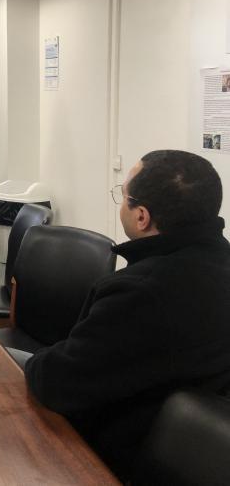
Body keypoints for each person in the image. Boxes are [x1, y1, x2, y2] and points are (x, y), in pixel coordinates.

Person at [24, 150, 230, 480]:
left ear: (142, 217)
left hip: (114, 457)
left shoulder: (138, 293)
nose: (120, 202)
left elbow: (56, 382)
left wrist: (36, 361)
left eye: (123, 195)